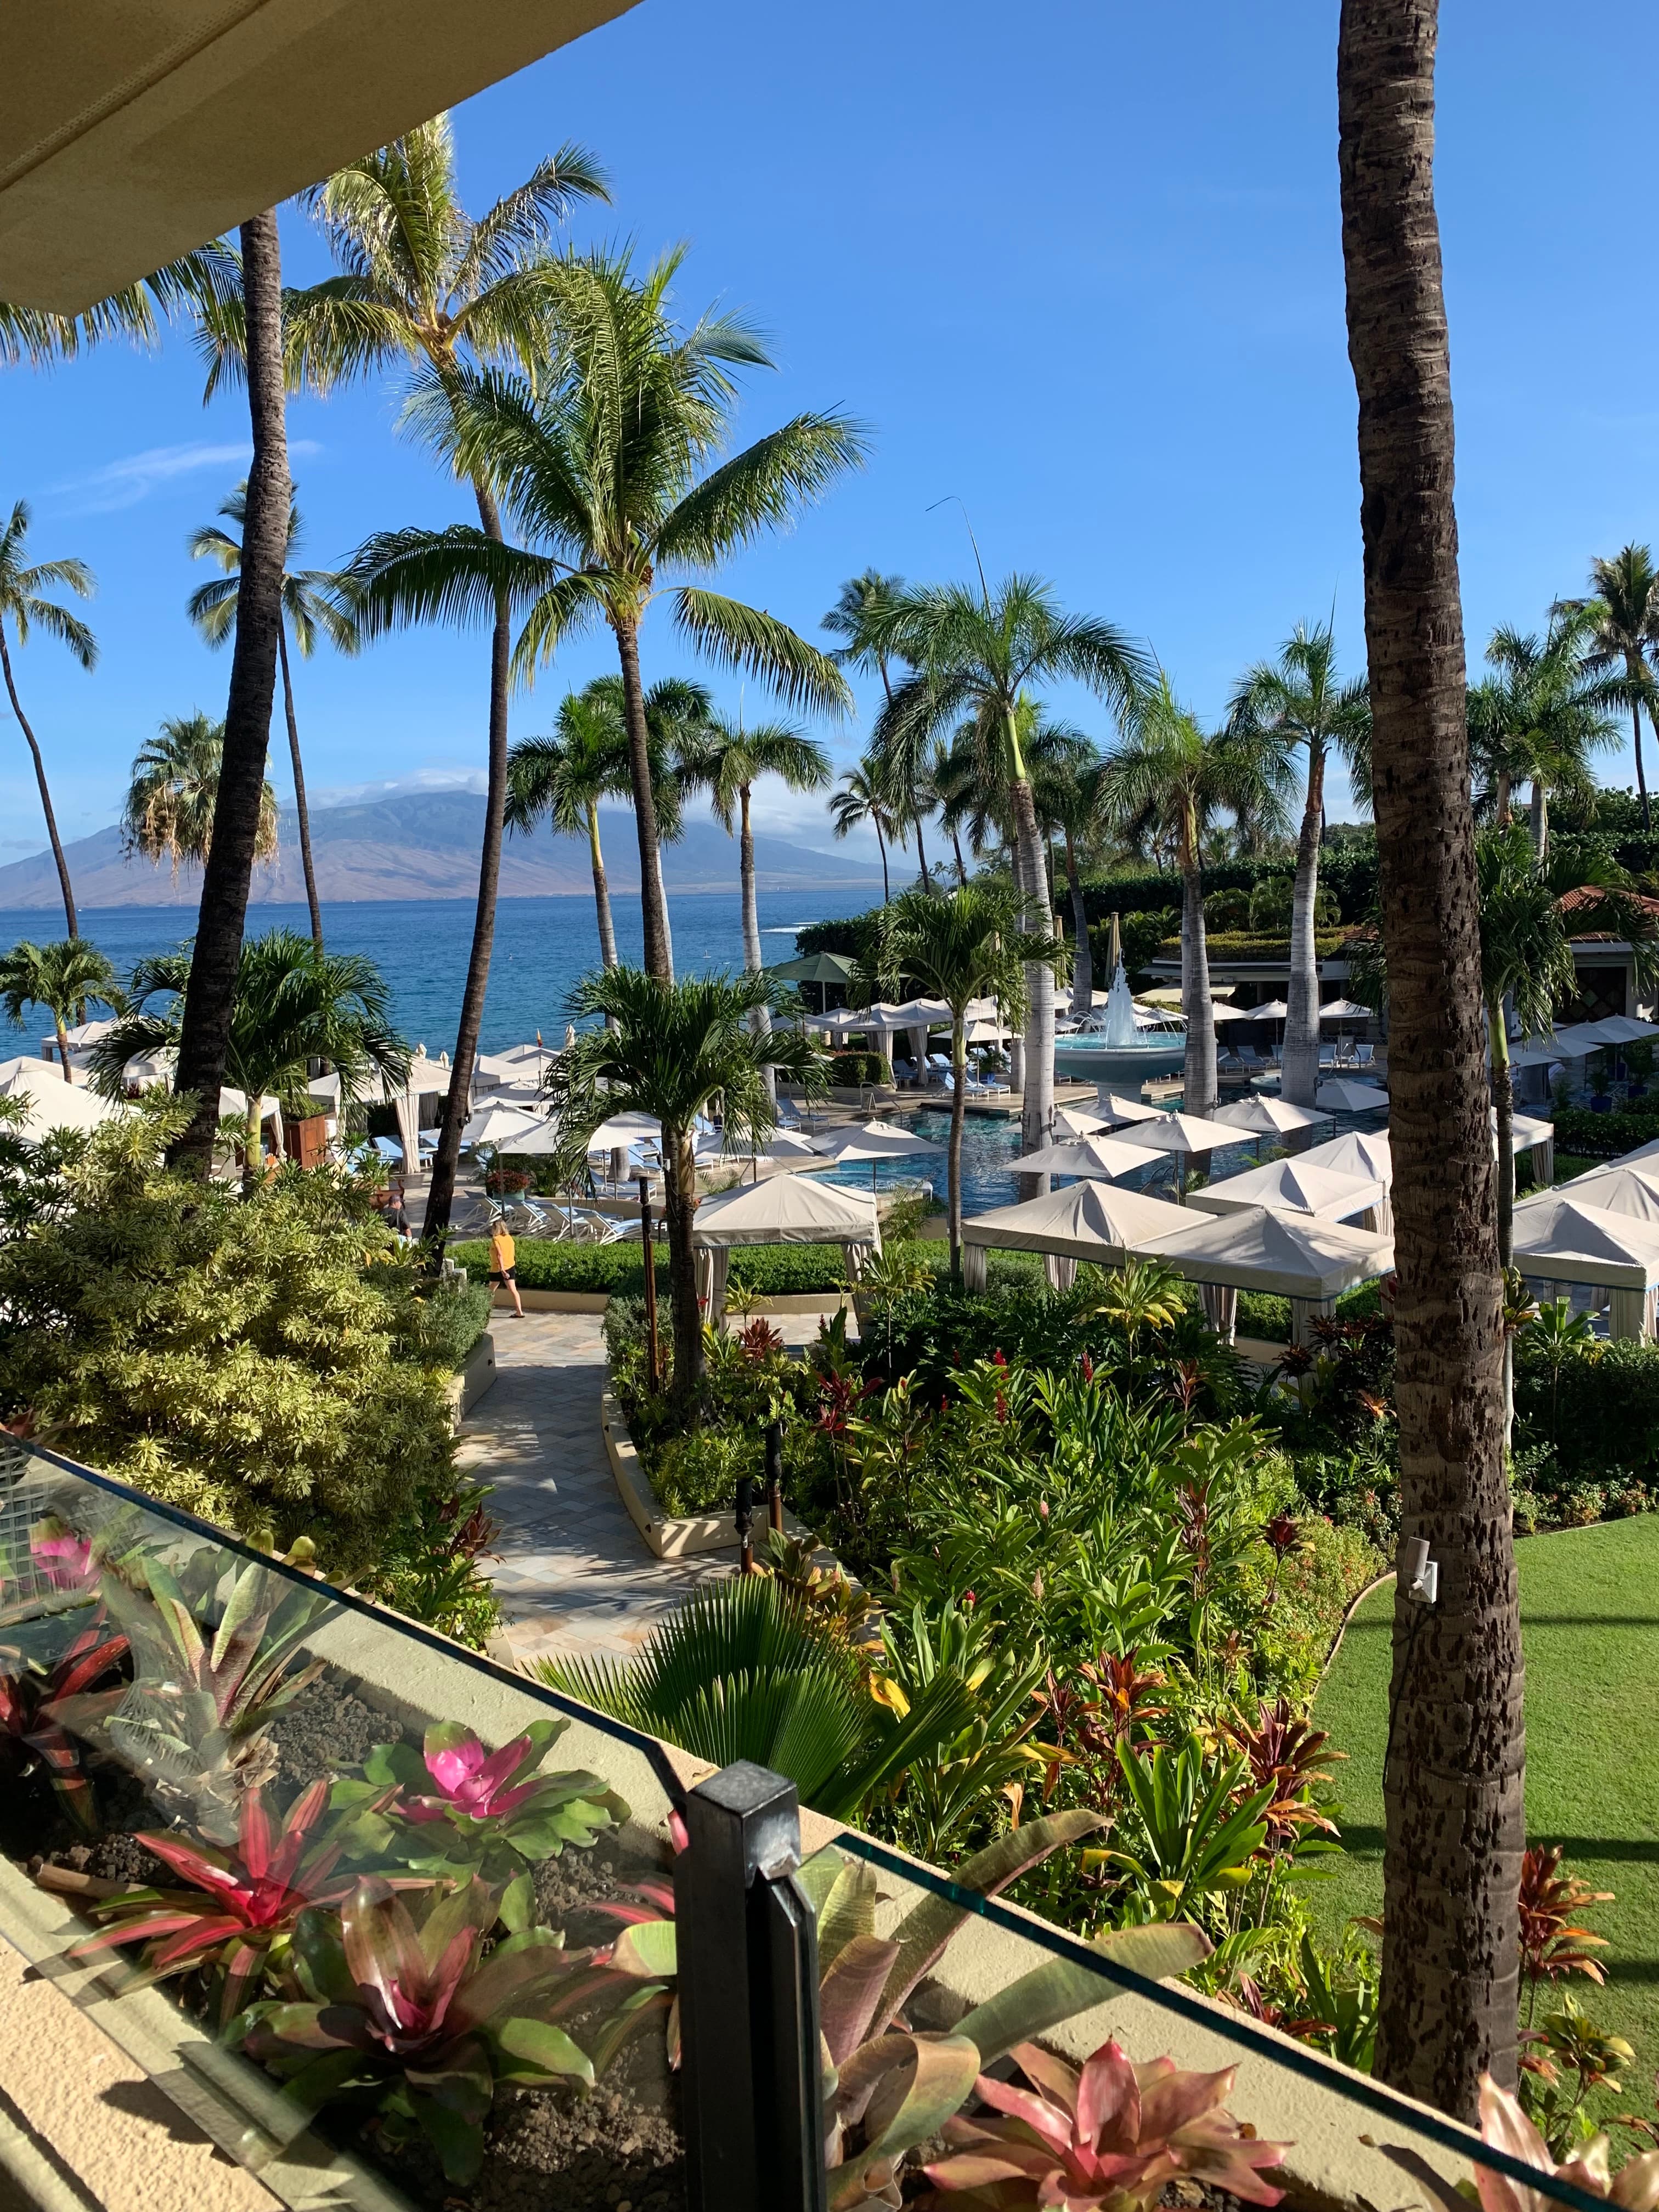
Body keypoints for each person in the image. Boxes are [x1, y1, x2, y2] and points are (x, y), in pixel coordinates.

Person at [488, 1216, 523, 1318]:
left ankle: (486, 1311)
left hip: (498, 1268)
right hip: (511, 1266)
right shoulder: (509, 1238)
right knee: (513, 1290)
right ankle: (520, 1312)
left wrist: (502, 1269)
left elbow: (500, 1254)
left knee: (491, 1290)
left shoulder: (496, 1239)